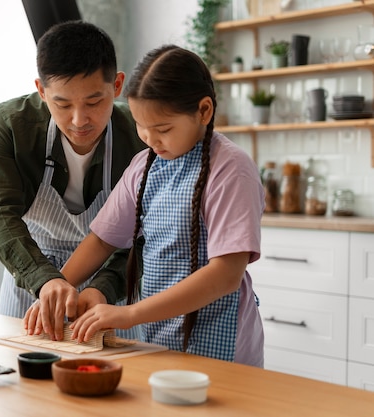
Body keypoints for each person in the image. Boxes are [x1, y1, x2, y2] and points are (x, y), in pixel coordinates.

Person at [25, 45, 265, 367]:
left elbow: (225, 275)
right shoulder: (144, 165)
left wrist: (128, 313)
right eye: (141, 126)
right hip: (154, 337)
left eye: (163, 129)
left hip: (218, 343)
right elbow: (101, 239)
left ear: (204, 111)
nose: (150, 138)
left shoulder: (230, 169)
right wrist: (57, 288)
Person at [0, 20, 146, 341]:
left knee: (119, 379)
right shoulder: (12, 125)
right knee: (23, 377)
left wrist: (104, 287)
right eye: (62, 103)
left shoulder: (140, 134)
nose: (79, 120)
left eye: (94, 102)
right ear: (41, 91)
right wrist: (46, 280)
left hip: (113, 279)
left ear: (117, 85)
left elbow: (147, 231)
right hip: (34, 272)